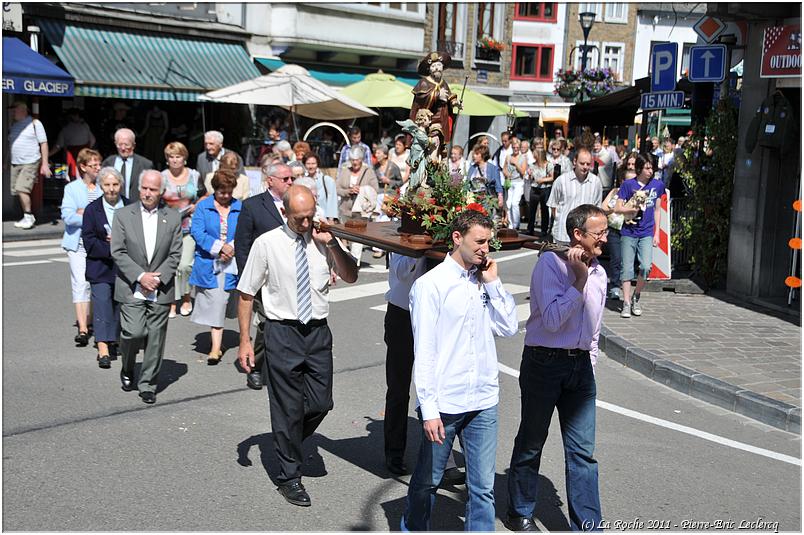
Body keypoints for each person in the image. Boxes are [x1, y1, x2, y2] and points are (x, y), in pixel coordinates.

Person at [237, 185, 358, 507]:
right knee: (287, 407)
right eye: (299, 218)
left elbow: (351, 276)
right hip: (282, 332)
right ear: (285, 213)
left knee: (321, 402)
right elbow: (246, 293)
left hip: (317, 332)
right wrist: (246, 342)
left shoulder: (323, 238)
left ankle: (287, 440)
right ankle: (289, 477)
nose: (306, 223)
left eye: (310, 216)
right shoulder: (267, 244)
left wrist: (332, 244)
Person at [401, 209, 519, 531]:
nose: (486, 249)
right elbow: (423, 351)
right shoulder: (430, 286)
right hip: (446, 402)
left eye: (489, 242)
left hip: (483, 400)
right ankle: (413, 526)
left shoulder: (484, 279)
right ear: (457, 238)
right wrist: (429, 409)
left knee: (483, 488)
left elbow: (509, 327)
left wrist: (494, 284)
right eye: (479, 242)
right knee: (428, 482)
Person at [504, 204, 608, 533]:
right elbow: (550, 321)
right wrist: (577, 283)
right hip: (544, 362)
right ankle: (520, 509)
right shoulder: (550, 264)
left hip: (579, 369)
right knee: (532, 441)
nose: (605, 238)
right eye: (599, 232)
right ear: (578, 235)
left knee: (582, 453)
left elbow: (592, 334)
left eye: (607, 231)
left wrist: (587, 367)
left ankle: (588, 524)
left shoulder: (601, 274)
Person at [383, 253, 466, 484]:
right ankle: (394, 452)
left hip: (437, 313)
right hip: (403, 315)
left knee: (441, 386)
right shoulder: (405, 231)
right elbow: (400, 272)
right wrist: (418, 250)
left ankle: (445, 460)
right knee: (399, 389)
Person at [111, 170, 182, 404]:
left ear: (161, 192)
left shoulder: (172, 217)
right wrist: (141, 276)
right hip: (132, 285)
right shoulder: (123, 215)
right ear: (139, 188)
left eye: (153, 189)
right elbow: (118, 251)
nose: (147, 193)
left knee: (155, 337)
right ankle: (128, 367)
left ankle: (148, 384)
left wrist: (157, 278)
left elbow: (175, 254)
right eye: (144, 188)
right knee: (133, 332)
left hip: (160, 287)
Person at [234, 160, 293, 390]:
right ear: (270, 181)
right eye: (285, 179)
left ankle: (281, 366)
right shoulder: (253, 206)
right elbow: (242, 245)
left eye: (292, 178)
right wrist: (247, 279)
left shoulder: (296, 201)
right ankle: (256, 365)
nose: (290, 182)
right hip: (263, 278)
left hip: (290, 277)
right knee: (265, 324)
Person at [190, 170, 242, 364]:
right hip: (210, 262)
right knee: (218, 301)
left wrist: (232, 248)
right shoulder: (203, 206)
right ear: (215, 189)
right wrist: (220, 248)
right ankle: (215, 348)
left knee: (228, 301)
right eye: (222, 192)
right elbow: (197, 231)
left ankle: (225, 344)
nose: (226, 196)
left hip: (233, 262)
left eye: (229, 192)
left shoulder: (239, 206)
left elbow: (246, 230)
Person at [82, 166, 126, 368]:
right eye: (107, 185)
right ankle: (103, 348)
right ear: (100, 186)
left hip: (124, 267)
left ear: (121, 185)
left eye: (115, 184)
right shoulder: (92, 210)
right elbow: (89, 240)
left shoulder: (129, 206)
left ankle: (114, 339)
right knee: (101, 304)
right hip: (100, 265)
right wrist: (112, 247)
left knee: (119, 304)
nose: (111, 189)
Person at [61, 148, 103, 347]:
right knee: (80, 282)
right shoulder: (72, 189)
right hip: (77, 243)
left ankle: (93, 320)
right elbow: (68, 217)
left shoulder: (103, 187)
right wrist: (90, 216)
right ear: (83, 167)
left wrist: (84, 213)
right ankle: (83, 327)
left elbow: (109, 214)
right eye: (94, 165)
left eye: (99, 164)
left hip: (99, 243)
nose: (98, 168)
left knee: (96, 282)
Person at [616, 154, 664, 319]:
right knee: (627, 268)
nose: (650, 171)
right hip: (629, 231)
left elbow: (658, 210)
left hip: (646, 232)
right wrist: (632, 209)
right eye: (647, 167)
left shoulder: (658, 185)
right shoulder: (629, 185)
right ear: (639, 168)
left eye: (652, 167)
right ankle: (627, 303)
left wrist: (657, 233)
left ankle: (637, 295)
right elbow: (617, 208)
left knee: (645, 266)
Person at [161, 142, 204, 318]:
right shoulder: (162, 177)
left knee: (185, 265)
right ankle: (172, 301)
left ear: (184, 158)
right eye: (171, 157)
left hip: (189, 226)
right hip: (167, 227)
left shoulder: (194, 175)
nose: (175, 160)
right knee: (170, 266)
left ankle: (186, 297)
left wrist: (196, 205)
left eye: (178, 156)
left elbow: (205, 195)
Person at [9, 101, 51, 229]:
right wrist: (5, 161)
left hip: (30, 161)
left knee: (22, 189)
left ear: (23, 110)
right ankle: (26, 216)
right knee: (17, 190)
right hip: (15, 162)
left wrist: (45, 164)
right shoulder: (14, 125)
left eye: (14, 109)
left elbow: (43, 143)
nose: (12, 112)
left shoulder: (35, 123)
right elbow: (10, 145)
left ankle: (28, 216)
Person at [547, 148, 602, 245]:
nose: (585, 167)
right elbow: (553, 205)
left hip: (585, 237)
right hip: (563, 235)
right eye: (582, 163)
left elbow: (596, 208)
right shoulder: (561, 181)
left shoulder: (595, 182)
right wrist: (561, 220)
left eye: (588, 164)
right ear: (575, 161)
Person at [336, 146, 379, 264]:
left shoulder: (368, 171)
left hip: (361, 210)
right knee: (348, 235)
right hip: (346, 208)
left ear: (361, 159)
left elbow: (375, 189)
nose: (355, 162)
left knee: (358, 237)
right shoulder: (345, 171)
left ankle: (355, 262)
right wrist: (348, 191)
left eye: (357, 159)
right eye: (352, 160)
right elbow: (337, 188)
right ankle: (348, 259)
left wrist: (362, 190)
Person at [409, 51, 459, 151]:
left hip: (442, 118)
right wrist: (437, 95)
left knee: (441, 146)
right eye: (433, 66)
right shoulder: (424, 82)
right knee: (433, 143)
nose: (436, 68)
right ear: (429, 69)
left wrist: (454, 103)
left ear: (442, 67)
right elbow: (421, 100)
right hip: (430, 120)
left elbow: (448, 95)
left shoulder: (443, 82)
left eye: (438, 65)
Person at [102, 128, 153, 203]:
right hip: (113, 206)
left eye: (126, 145)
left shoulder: (145, 164)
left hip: (136, 207)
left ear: (133, 145)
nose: (123, 148)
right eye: (120, 144)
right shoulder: (108, 162)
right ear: (115, 144)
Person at [601, 169, 627, 301]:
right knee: (616, 258)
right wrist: (614, 209)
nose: (625, 183)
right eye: (623, 180)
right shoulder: (615, 192)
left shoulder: (635, 193)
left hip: (628, 229)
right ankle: (615, 286)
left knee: (625, 259)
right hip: (614, 228)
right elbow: (603, 207)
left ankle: (625, 283)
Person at [50, 108, 96, 180]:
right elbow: (93, 140)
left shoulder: (65, 129)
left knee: (73, 176)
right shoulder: (85, 126)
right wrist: (87, 150)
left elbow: (58, 146)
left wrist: (47, 155)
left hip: (73, 158)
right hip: (84, 157)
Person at [467, 144, 504, 221]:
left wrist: (500, 197)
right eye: (474, 154)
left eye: (477, 154)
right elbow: (467, 183)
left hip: (487, 198)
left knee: (486, 219)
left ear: (483, 155)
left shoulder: (493, 168)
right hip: (473, 197)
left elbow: (498, 184)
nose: (474, 156)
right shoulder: (472, 167)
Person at [526, 147, 554, 237]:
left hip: (544, 188)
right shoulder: (532, 165)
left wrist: (542, 180)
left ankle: (544, 230)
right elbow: (530, 178)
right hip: (534, 188)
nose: (534, 156)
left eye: (535, 154)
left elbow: (552, 177)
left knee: (544, 209)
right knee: (532, 210)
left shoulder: (548, 165)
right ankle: (530, 229)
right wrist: (529, 175)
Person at [303, 153, 338, 221]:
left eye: (313, 163)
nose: (311, 166)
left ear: (317, 164)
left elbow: (332, 200)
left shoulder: (327, 180)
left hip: (323, 218)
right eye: (308, 163)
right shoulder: (303, 181)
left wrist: (331, 219)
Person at [503, 137, 528, 231]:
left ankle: (516, 224)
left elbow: (523, 172)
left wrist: (516, 163)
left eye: (517, 147)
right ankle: (510, 224)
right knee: (508, 203)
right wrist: (506, 173)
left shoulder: (523, 158)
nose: (515, 149)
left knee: (514, 203)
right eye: (514, 147)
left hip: (518, 182)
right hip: (510, 182)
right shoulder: (508, 157)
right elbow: (504, 168)